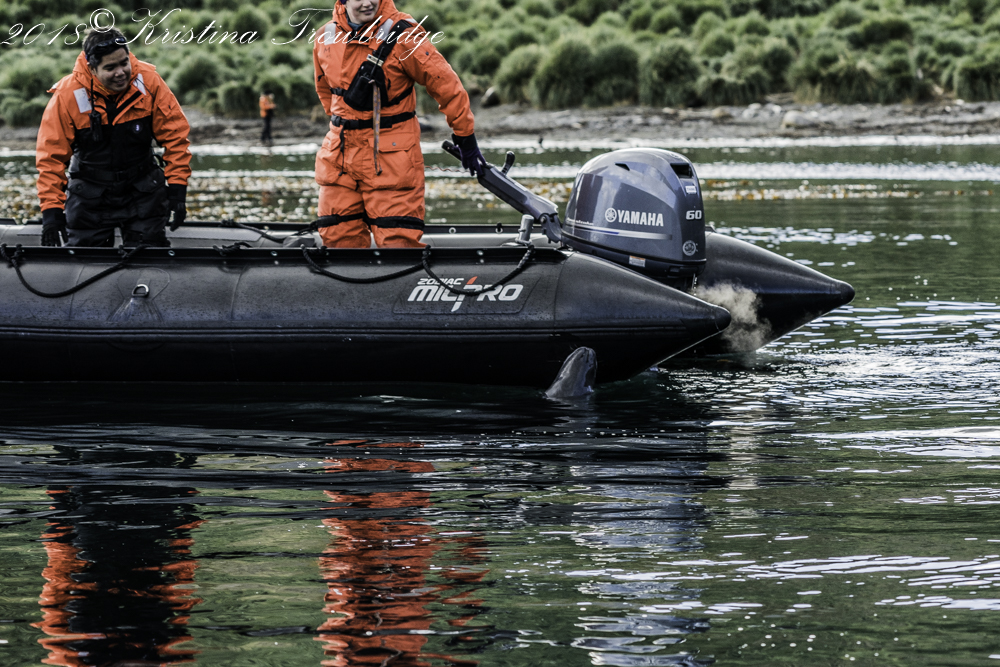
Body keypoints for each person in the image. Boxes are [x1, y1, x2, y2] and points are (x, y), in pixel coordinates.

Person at [313, 0, 487, 248]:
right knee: (337, 239)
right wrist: (344, 124)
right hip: (338, 156)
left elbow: (446, 84)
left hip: (392, 158)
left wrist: (465, 135)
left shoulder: (405, 33)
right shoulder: (325, 35)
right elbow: (325, 91)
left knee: (398, 244)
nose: (368, 2)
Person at [36, 27, 191, 247]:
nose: (120, 72)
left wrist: (177, 190)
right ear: (92, 68)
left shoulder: (150, 81)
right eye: (110, 67)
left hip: (143, 192)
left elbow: (176, 138)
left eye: (124, 63)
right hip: (89, 198)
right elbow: (50, 158)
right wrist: (51, 212)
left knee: (149, 258)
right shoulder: (67, 95)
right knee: (85, 262)